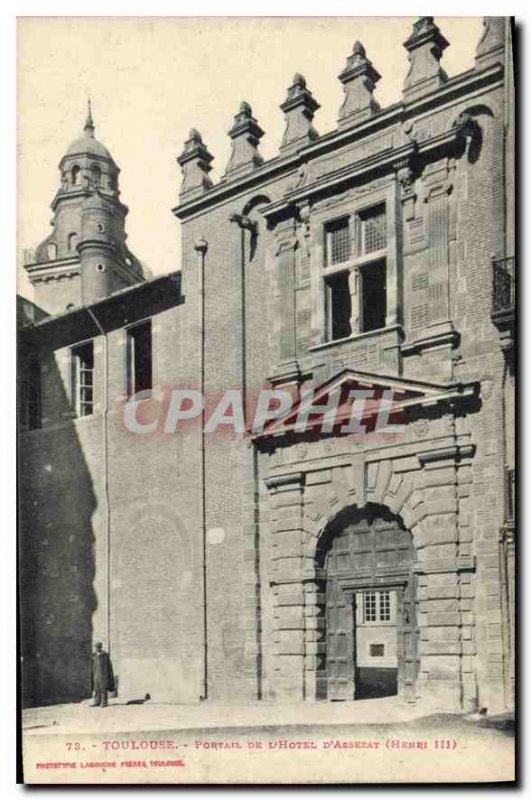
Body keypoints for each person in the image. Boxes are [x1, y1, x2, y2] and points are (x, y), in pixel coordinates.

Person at [90, 641, 115, 708]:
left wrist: (108, 675)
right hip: (96, 675)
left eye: (98, 647)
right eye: (96, 647)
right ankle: (96, 702)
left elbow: (109, 666)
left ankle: (104, 702)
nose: (97, 648)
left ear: (100, 647)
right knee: (96, 689)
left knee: (103, 689)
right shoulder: (94, 655)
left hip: (103, 675)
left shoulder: (105, 655)